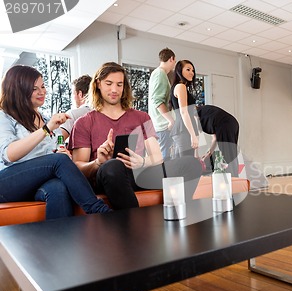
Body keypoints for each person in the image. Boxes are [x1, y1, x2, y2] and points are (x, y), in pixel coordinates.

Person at [69, 62, 201, 210]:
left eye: (119, 84)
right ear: (98, 84)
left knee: (191, 164)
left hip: (139, 173)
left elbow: (157, 156)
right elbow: (77, 168)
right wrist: (98, 162)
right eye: (109, 83)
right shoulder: (84, 122)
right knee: (112, 166)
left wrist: (142, 162)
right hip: (108, 175)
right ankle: (135, 225)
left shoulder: (141, 117)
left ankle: (177, 213)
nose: (114, 89)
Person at [0, 65, 111, 219]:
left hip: (38, 183)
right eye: (34, 88)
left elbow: (57, 148)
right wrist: (46, 130)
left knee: (58, 188)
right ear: (18, 90)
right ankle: (100, 212)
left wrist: (62, 152)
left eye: (43, 86)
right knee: (59, 160)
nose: (42, 92)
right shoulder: (5, 116)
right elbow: (8, 154)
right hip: (7, 183)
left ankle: (57, 241)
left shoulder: (47, 120)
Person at [148, 47, 176, 160]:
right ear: (171, 59)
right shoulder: (160, 74)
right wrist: (171, 120)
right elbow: (158, 101)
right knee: (165, 161)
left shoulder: (159, 74)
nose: (174, 64)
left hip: (160, 125)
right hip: (162, 125)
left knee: (165, 159)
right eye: (174, 61)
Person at [169, 60, 200, 158]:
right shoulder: (180, 86)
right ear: (179, 71)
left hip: (183, 130)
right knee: (185, 166)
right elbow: (183, 112)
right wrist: (193, 135)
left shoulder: (181, 87)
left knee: (181, 166)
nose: (192, 72)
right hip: (184, 130)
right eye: (188, 69)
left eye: (193, 70)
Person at [197, 105, 240, 177]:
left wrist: (196, 155)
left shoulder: (196, 114)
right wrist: (209, 153)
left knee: (229, 155)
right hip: (232, 123)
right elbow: (215, 138)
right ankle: (234, 179)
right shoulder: (206, 113)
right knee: (231, 154)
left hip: (226, 125)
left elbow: (195, 136)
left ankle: (233, 180)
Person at [60, 74, 92, 141]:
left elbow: (56, 141)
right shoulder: (103, 112)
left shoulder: (72, 114)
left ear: (80, 94)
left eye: (73, 93)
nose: (72, 98)